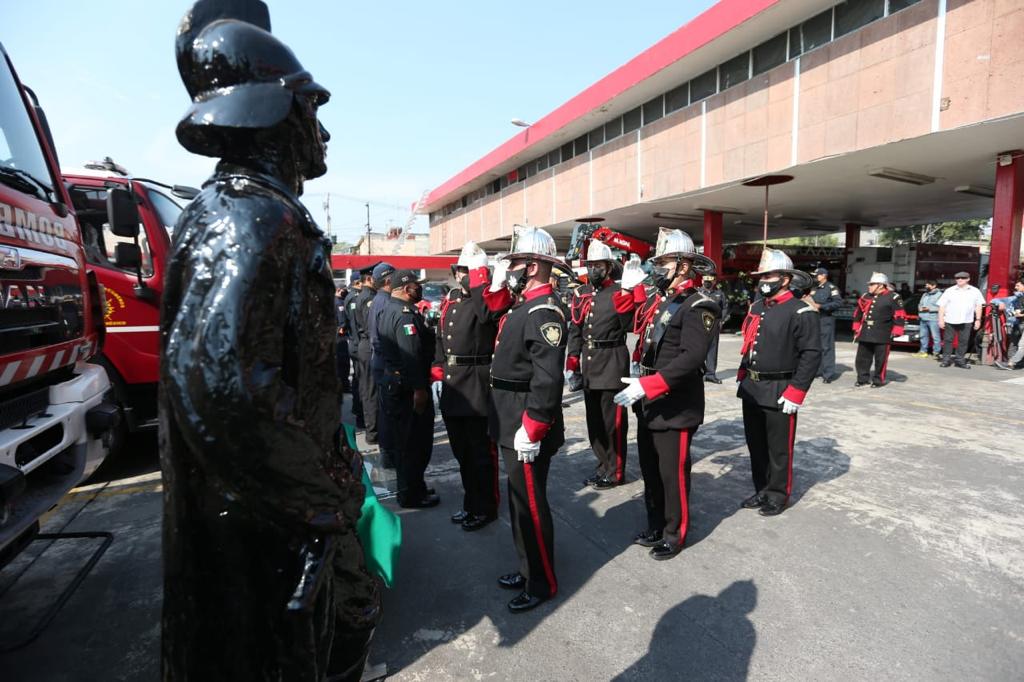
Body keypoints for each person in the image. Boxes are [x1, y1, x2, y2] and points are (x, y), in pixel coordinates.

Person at [163, 8, 379, 680]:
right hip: (264, 526)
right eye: (311, 109)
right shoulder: (250, 215)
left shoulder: (247, 207)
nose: (323, 130)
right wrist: (320, 502)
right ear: (278, 112)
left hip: (268, 513)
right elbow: (223, 384)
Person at [613, 228, 719, 560]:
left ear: (685, 265)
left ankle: (675, 532)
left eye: (665, 262)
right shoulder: (663, 301)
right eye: (657, 263)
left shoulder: (699, 304)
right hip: (649, 401)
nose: (658, 269)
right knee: (651, 469)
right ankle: (656, 523)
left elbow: (691, 358)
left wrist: (650, 384)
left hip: (675, 404)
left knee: (672, 474)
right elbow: (635, 330)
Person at [487, 226, 567, 613]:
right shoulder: (523, 305)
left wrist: (533, 426)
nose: (511, 268)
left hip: (524, 422)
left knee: (531, 506)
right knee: (520, 504)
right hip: (508, 416)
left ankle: (541, 583)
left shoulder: (543, 310)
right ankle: (526, 568)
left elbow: (548, 378)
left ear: (533, 266)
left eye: (516, 262)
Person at [736, 249, 821, 517]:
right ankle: (761, 488)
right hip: (752, 386)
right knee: (756, 444)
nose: (764, 280)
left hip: (780, 388)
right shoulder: (757, 306)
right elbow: (750, 342)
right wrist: (743, 372)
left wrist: (797, 390)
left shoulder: (801, 311)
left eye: (769, 275)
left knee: (778, 448)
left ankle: (777, 494)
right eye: (762, 276)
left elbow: (811, 354)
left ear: (785, 279)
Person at [431, 242, 503, 531]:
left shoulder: (484, 300)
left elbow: (487, 314)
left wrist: (480, 281)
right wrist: (437, 372)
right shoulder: (451, 301)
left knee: (480, 455)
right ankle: (470, 503)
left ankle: (486, 508)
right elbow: (440, 339)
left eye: (468, 271)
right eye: (460, 271)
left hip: (476, 384)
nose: (462, 276)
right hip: (453, 383)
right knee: (462, 453)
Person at [566, 243, 644, 489]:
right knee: (595, 423)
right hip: (590, 364)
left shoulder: (620, 292)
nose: (593, 270)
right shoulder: (582, 293)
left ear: (609, 267)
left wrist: (633, 290)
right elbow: (576, 329)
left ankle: (615, 471)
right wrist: (573, 362)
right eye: (590, 265)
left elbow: (632, 322)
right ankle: (602, 466)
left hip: (611, 362)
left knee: (614, 425)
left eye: (598, 265)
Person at [378, 269, 440, 508]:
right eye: (416, 285)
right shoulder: (404, 315)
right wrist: (420, 390)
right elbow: (411, 355)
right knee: (414, 444)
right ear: (405, 289)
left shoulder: (388, 309)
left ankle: (414, 486)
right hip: (407, 388)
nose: (419, 289)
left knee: (406, 442)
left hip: (395, 383)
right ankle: (411, 494)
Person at [852, 272, 905, 387]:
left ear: (880, 285)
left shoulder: (893, 297)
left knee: (881, 360)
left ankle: (878, 380)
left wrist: (897, 330)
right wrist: (856, 328)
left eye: (872, 284)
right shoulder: (865, 296)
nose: (869, 286)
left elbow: (899, 315)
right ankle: (862, 378)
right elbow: (858, 313)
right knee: (862, 358)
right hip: (866, 331)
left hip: (882, 332)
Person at [937, 271, 985, 369]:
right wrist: (940, 319)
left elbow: (979, 306)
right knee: (947, 340)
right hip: (950, 319)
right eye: (957, 278)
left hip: (966, 320)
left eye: (962, 278)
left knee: (963, 341)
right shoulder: (949, 290)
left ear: (968, 279)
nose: (959, 280)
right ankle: (946, 360)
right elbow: (942, 306)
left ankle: (960, 360)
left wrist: (978, 319)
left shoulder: (975, 291)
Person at [352, 265, 379, 440]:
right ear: (369, 279)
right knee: (371, 391)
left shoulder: (360, 296)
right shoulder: (368, 297)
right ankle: (373, 432)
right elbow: (371, 328)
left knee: (367, 389)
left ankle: (371, 428)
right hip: (368, 346)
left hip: (362, 345)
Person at [807, 266, 842, 383]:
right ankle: (817, 370)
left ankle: (828, 374)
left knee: (826, 347)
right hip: (814, 319)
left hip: (825, 319)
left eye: (817, 275)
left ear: (823, 276)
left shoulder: (831, 288)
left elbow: (838, 303)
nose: (815, 277)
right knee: (815, 346)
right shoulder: (814, 288)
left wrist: (822, 306)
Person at [700, 271, 730, 384]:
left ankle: (710, 374)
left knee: (712, 349)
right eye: (705, 280)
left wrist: (721, 320)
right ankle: (698, 373)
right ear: (702, 280)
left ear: (714, 281)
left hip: (714, 325)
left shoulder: (719, 294)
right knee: (698, 349)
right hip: (698, 325)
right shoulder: (697, 293)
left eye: (710, 280)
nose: (707, 283)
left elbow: (725, 307)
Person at [993, 280, 1024, 370]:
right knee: (1014, 343)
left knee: (1022, 345)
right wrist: (1000, 303)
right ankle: (1012, 362)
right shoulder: (1015, 298)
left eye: (1018, 286)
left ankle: (1011, 363)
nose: (1015, 288)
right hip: (1018, 324)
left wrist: (1020, 315)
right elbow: (994, 299)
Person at [347, 274, 365, 426]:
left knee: (359, 380)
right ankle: (360, 415)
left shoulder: (353, 296)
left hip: (355, 344)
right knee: (361, 381)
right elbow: (354, 325)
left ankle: (357, 409)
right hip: (357, 344)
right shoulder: (354, 298)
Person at [915, 279, 943, 358]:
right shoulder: (925, 294)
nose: (926, 286)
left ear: (934, 286)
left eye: (928, 285)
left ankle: (936, 352)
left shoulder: (940, 295)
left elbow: (942, 307)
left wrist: (929, 309)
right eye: (926, 285)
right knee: (923, 336)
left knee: (935, 336)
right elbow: (920, 304)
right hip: (923, 318)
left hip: (933, 318)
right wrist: (920, 308)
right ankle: (923, 351)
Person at [335, 283, 352, 393]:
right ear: (339, 290)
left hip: (337, 336)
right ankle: (344, 385)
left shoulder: (338, 300)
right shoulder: (338, 303)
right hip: (340, 337)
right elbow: (342, 323)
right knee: (343, 362)